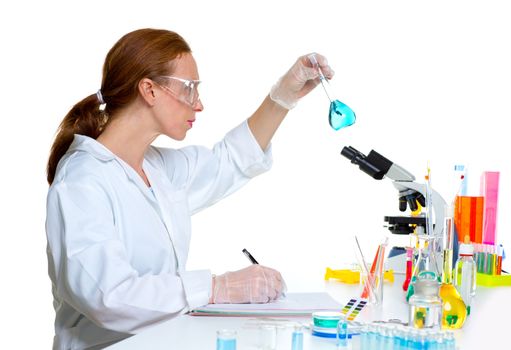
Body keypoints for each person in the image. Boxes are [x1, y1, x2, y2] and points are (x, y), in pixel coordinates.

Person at [45, 28, 334, 349]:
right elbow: (108, 296)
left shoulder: (156, 167)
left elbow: (230, 160)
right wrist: (216, 288)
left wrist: (283, 96)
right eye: (189, 89)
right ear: (149, 90)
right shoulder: (82, 182)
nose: (199, 105)